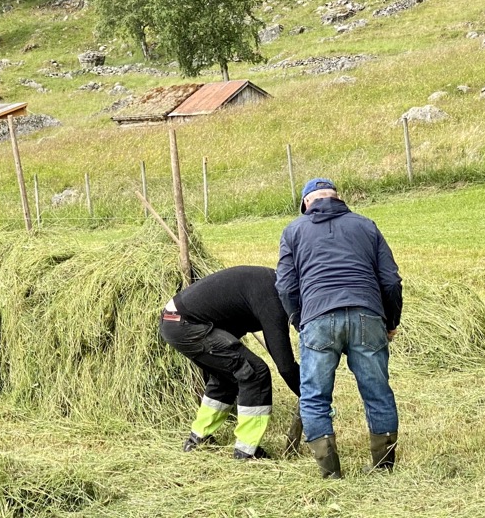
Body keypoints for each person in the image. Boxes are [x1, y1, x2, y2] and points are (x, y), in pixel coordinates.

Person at [276, 178, 403, 479]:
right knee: (377, 391)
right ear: (338, 198)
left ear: (306, 203)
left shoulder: (293, 231)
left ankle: (330, 471)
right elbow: (390, 281)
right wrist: (390, 321)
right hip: (367, 315)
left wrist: (299, 319)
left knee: (315, 396)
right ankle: (383, 466)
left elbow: (284, 286)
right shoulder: (366, 226)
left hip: (318, 317)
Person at [160, 265, 301, 460]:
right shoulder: (273, 297)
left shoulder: (269, 282)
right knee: (254, 372)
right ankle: (246, 451)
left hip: (173, 320)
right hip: (187, 325)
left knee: (226, 377)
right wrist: (311, 395)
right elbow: (285, 366)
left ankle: (198, 438)